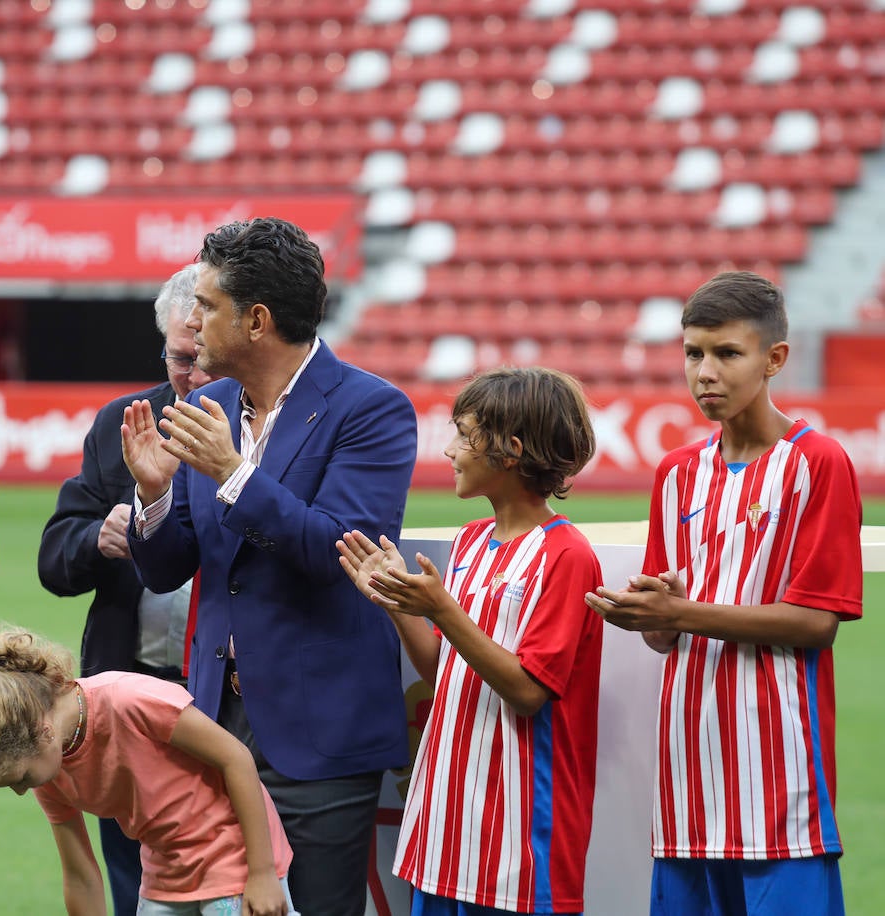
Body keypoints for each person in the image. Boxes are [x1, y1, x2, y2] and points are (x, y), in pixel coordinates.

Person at [121, 217, 417, 915]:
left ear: (256, 321)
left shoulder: (372, 410)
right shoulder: (212, 403)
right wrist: (154, 495)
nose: (191, 321)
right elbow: (170, 569)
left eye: (207, 305)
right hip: (212, 727)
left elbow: (336, 552)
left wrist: (231, 472)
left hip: (317, 733)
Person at [584, 271, 862, 916]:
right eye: (693, 354)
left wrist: (681, 611)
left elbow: (818, 622)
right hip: (685, 772)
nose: (705, 372)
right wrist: (650, 615)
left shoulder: (818, 462)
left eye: (727, 354)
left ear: (774, 359)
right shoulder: (676, 472)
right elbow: (664, 632)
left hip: (779, 774)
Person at [337, 366, 604, 916]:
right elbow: (446, 671)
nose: (450, 450)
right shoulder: (471, 541)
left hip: (519, 837)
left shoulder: (567, 555)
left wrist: (443, 609)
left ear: (509, 449)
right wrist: (395, 602)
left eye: (464, 434)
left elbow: (529, 691)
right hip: (445, 824)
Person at [38, 263, 216, 914]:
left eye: (207, 358)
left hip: (221, 694)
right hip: (126, 696)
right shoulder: (124, 421)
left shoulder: (263, 432)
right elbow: (54, 557)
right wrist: (95, 539)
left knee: (226, 869)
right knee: (130, 878)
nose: (194, 374)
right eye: (181, 357)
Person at [0, 626, 296, 916]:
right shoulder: (46, 766)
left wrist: (262, 873)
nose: (22, 791)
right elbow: (81, 876)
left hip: (234, 855)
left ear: (42, 731)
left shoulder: (127, 699)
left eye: (20, 780)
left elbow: (235, 757)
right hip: (167, 872)